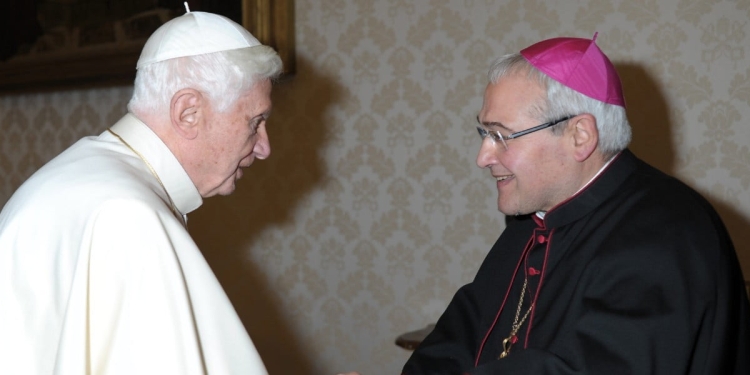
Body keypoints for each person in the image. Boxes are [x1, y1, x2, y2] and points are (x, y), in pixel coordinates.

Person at [402, 34, 750, 374]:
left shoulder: (667, 230)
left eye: (501, 136)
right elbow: (460, 336)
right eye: (484, 134)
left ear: (579, 136)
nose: (483, 157)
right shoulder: (532, 222)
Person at [0, 8, 282, 375]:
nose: (264, 147)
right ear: (188, 112)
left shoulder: (98, 180)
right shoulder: (127, 214)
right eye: (255, 122)